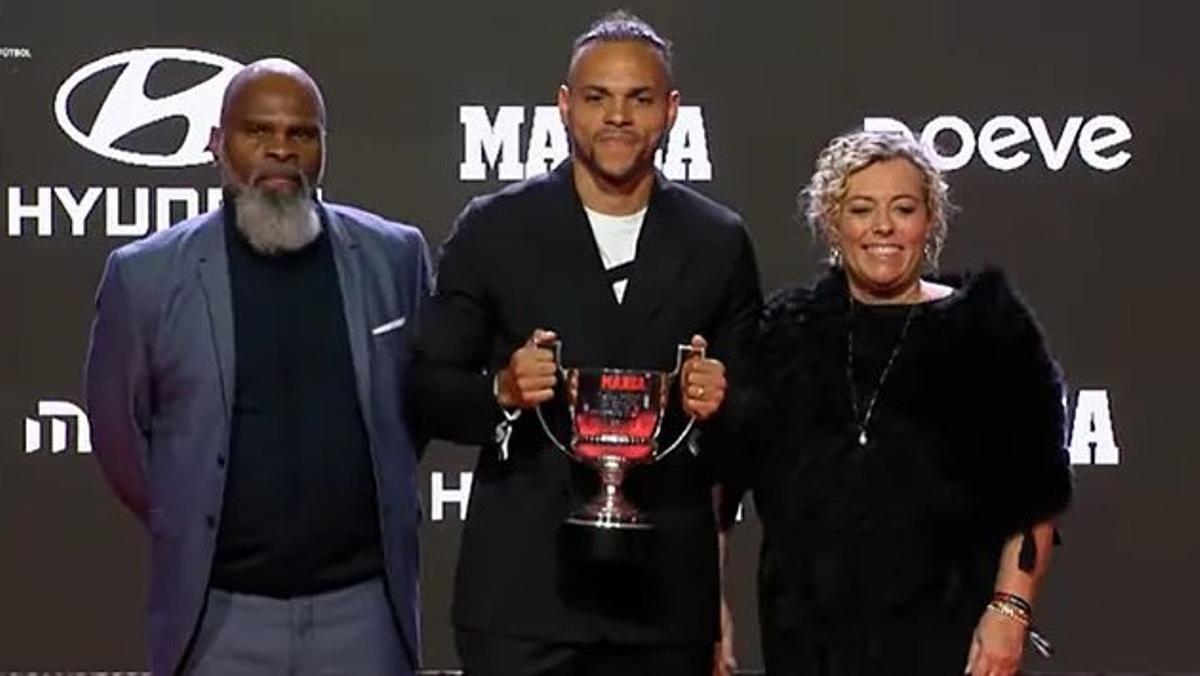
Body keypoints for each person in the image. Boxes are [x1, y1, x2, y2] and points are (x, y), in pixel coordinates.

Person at [409, 11, 761, 676]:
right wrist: (501, 391)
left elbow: (756, 421)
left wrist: (724, 400)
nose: (618, 117)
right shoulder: (494, 228)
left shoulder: (717, 240)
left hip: (666, 603)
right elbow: (427, 388)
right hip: (522, 600)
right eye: (597, 97)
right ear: (565, 106)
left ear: (672, 110)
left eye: (640, 98)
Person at [85, 58, 429, 676]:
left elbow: (417, 407)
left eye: (302, 133)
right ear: (218, 145)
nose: (281, 149)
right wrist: (185, 514)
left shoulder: (395, 257)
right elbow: (117, 432)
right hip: (218, 617)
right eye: (258, 131)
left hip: (364, 613)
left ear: (323, 147)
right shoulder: (145, 275)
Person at [745, 130, 1073, 675]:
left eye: (903, 208)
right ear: (832, 221)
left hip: (951, 634)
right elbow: (735, 474)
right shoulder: (788, 331)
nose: (883, 228)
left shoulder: (986, 328)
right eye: (861, 209)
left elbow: (1035, 491)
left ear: (930, 220)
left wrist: (1009, 610)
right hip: (810, 639)